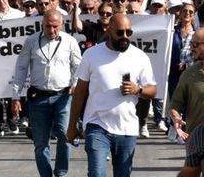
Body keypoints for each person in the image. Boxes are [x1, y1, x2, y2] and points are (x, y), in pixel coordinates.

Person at [67, 14, 157, 177]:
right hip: (96, 125)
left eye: (129, 33)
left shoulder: (139, 56)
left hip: (127, 128)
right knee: (97, 174)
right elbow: (80, 91)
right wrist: (72, 125)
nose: (125, 37)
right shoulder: (91, 54)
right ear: (109, 30)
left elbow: (153, 90)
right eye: (120, 32)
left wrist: (138, 90)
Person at [10, 10, 82, 177]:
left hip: (63, 97)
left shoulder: (70, 42)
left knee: (65, 136)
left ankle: (61, 172)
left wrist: (75, 84)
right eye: (48, 26)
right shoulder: (31, 41)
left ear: (61, 25)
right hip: (38, 98)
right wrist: (15, 95)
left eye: (55, 26)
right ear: (42, 24)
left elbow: (78, 67)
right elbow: (21, 68)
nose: (52, 30)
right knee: (41, 142)